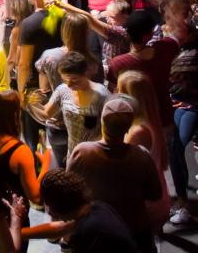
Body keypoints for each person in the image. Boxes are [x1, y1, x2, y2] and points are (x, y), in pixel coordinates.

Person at [67, 96, 162, 252]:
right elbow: (155, 194)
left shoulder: (82, 152)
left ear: (102, 123)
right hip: (134, 228)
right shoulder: (141, 155)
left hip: (96, 229)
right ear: (128, 128)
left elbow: (69, 188)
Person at [23, 169, 138, 252]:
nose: (49, 213)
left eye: (50, 207)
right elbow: (61, 228)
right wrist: (19, 233)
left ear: (61, 205)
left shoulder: (85, 232)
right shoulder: (97, 207)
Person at [116, 70, 170, 230]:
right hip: (157, 197)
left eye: (119, 91)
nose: (115, 94)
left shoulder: (137, 131)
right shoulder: (150, 120)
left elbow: (121, 171)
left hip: (144, 206)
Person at [31, 52, 109, 161]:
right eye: (65, 80)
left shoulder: (101, 95)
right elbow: (46, 114)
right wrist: (32, 104)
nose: (69, 84)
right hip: (72, 155)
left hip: (94, 156)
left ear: (85, 73)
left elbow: (109, 132)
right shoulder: (63, 90)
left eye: (74, 79)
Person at [107, 10, 178, 130]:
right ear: (149, 35)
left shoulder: (117, 63)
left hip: (135, 124)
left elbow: (113, 93)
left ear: (127, 33)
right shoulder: (166, 47)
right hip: (164, 118)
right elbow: (177, 35)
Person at [17, 0, 62, 152]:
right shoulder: (62, 17)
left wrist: (21, 92)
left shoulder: (29, 24)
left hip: (35, 88)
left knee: (32, 140)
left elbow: (24, 63)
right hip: (59, 84)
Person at [0, 90, 50, 213]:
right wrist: (45, 165)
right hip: (14, 216)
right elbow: (36, 197)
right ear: (16, 115)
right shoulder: (20, 151)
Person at [167, 24, 198, 225]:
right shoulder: (180, 52)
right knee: (175, 150)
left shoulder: (190, 53)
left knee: (177, 149)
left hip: (192, 107)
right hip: (180, 105)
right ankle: (182, 200)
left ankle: (184, 203)